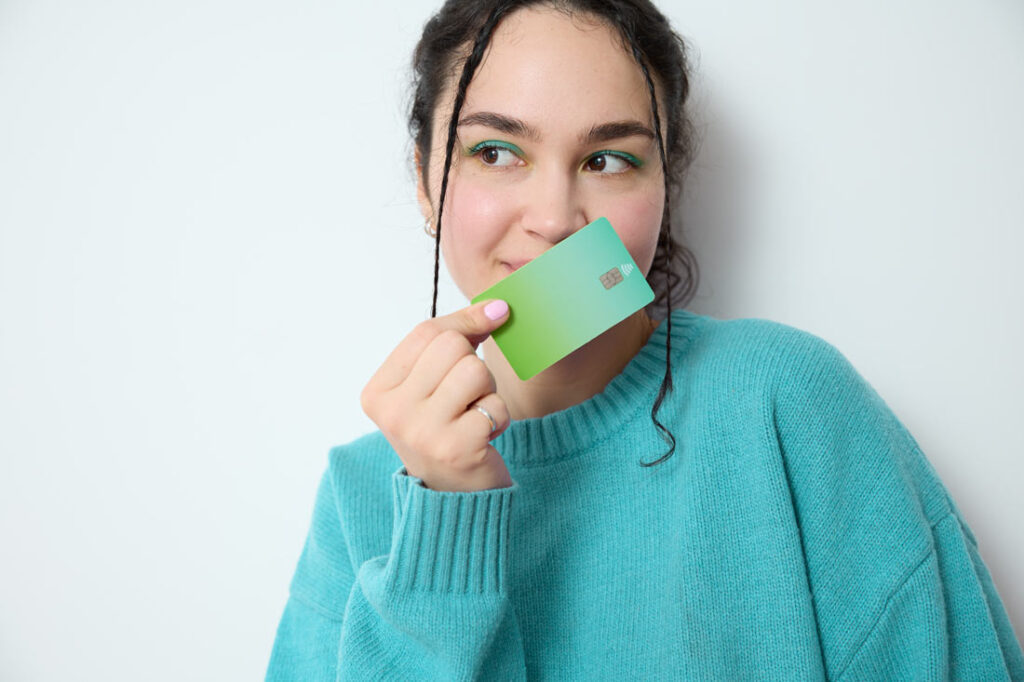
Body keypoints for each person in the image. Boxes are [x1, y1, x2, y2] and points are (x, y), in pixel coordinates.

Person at [265, 0, 1024, 679]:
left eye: (608, 159)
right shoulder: (362, 495)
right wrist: (446, 522)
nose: (555, 218)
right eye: (496, 151)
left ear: (665, 188)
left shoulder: (789, 404)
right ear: (428, 184)